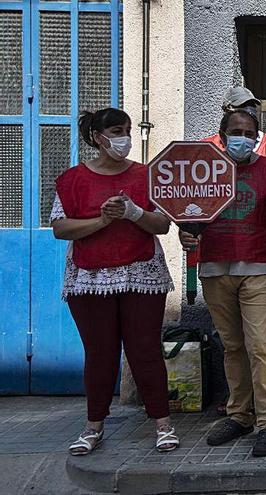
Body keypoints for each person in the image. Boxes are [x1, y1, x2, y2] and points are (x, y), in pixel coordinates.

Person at [53, 108, 177, 455]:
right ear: (97, 137)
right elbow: (61, 228)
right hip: (90, 276)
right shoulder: (72, 179)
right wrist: (102, 221)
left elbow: (162, 225)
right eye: (115, 131)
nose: (123, 138)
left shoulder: (147, 176)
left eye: (127, 130)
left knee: (145, 350)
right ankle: (94, 426)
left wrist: (133, 212)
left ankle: (163, 424)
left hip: (141, 272)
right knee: (100, 353)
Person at [179, 108, 266, 457]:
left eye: (248, 131)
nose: (241, 137)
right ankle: (240, 414)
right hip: (213, 267)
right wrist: (185, 234)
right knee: (232, 346)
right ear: (221, 135)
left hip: (257, 266)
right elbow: (184, 210)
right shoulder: (202, 171)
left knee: (260, 346)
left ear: (257, 137)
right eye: (234, 130)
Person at [202, 86, 266, 159]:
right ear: (226, 111)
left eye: (252, 106)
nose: (248, 110)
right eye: (241, 106)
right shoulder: (206, 148)